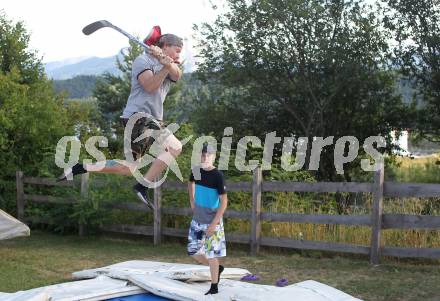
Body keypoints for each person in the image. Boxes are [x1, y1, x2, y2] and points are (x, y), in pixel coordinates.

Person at [57, 26, 183, 210]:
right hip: (138, 116)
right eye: (177, 50)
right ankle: (142, 186)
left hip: (153, 118)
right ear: (165, 46)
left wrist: (168, 64)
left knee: (128, 168)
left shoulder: (170, 64)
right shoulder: (142, 60)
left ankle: (80, 167)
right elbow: (149, 86)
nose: (179, 55)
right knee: (175, 147)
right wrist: (164, 67)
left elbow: (177, 74)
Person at [187, 144, 228, 295]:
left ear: (214, 157)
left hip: (212, 222)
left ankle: (214, 286)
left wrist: (214, 223)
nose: (205, 157)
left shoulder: (218, 176)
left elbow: (224, 201)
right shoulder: (196, 171)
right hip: (197, 220)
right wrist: (192, 200)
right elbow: (190, 183)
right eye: (203, 155)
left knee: (212, 255)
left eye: (208, 155)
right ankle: (218, 268)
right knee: (193, 251)